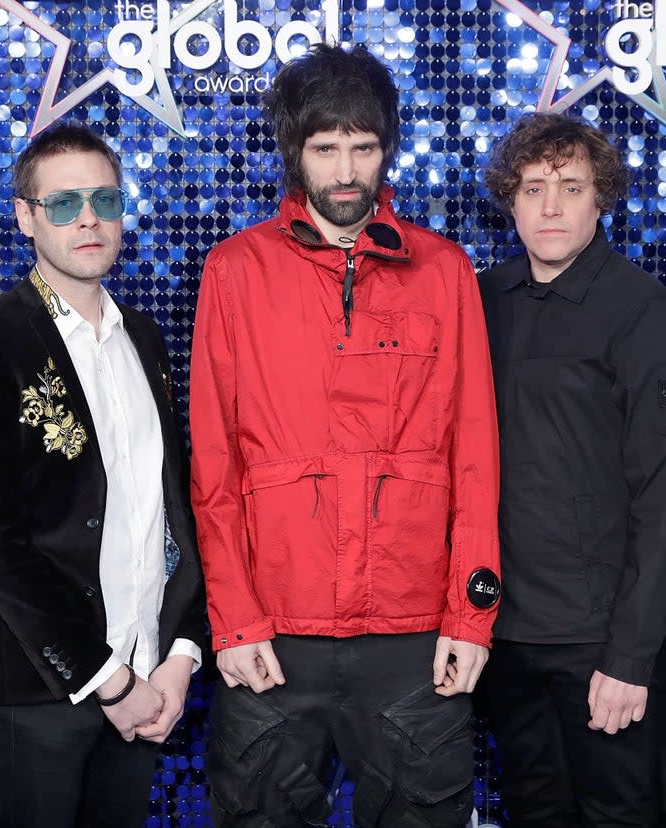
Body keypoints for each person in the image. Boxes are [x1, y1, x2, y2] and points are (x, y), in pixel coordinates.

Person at [190, 43, 501, 827]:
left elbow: (475, 456)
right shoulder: (235, 270)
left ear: (386, 149)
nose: (345, 172)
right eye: (325, 148)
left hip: (413, 633)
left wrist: (471, 616)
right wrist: (231, 621)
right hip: (273, 631)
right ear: (295, 152)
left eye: (363, 148)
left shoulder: (444, 270)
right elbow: (214, 466)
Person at [0, 123, 206, 828]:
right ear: (25, 218)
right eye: (62, 204)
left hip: (148, 679)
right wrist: (105, 679)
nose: (87, 219)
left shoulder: (145, 338)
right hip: (44, 686)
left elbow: (170, 510)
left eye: (103, 199)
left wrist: (177, 654)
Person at [476, 112, 666, 826]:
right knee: (531, 809)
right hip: (502, 633)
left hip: (603, 643)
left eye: (570, 187)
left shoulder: (647, 314)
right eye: (533, 186)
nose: (550, 206)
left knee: (621, 815)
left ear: (600, 199)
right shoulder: (478, 302)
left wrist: (632, 656)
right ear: (508, 198)